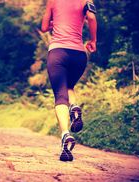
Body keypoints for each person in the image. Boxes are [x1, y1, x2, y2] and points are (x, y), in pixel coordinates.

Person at [41, 0, 97, 161]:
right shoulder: (87, 0)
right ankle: (75, 107)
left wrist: (54, 23)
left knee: (60, 95)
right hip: (79, 55)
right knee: (69, 86)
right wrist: (93, 40)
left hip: (58, 53)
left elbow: (44, 27)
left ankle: (65, 134)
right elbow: (92, 18)